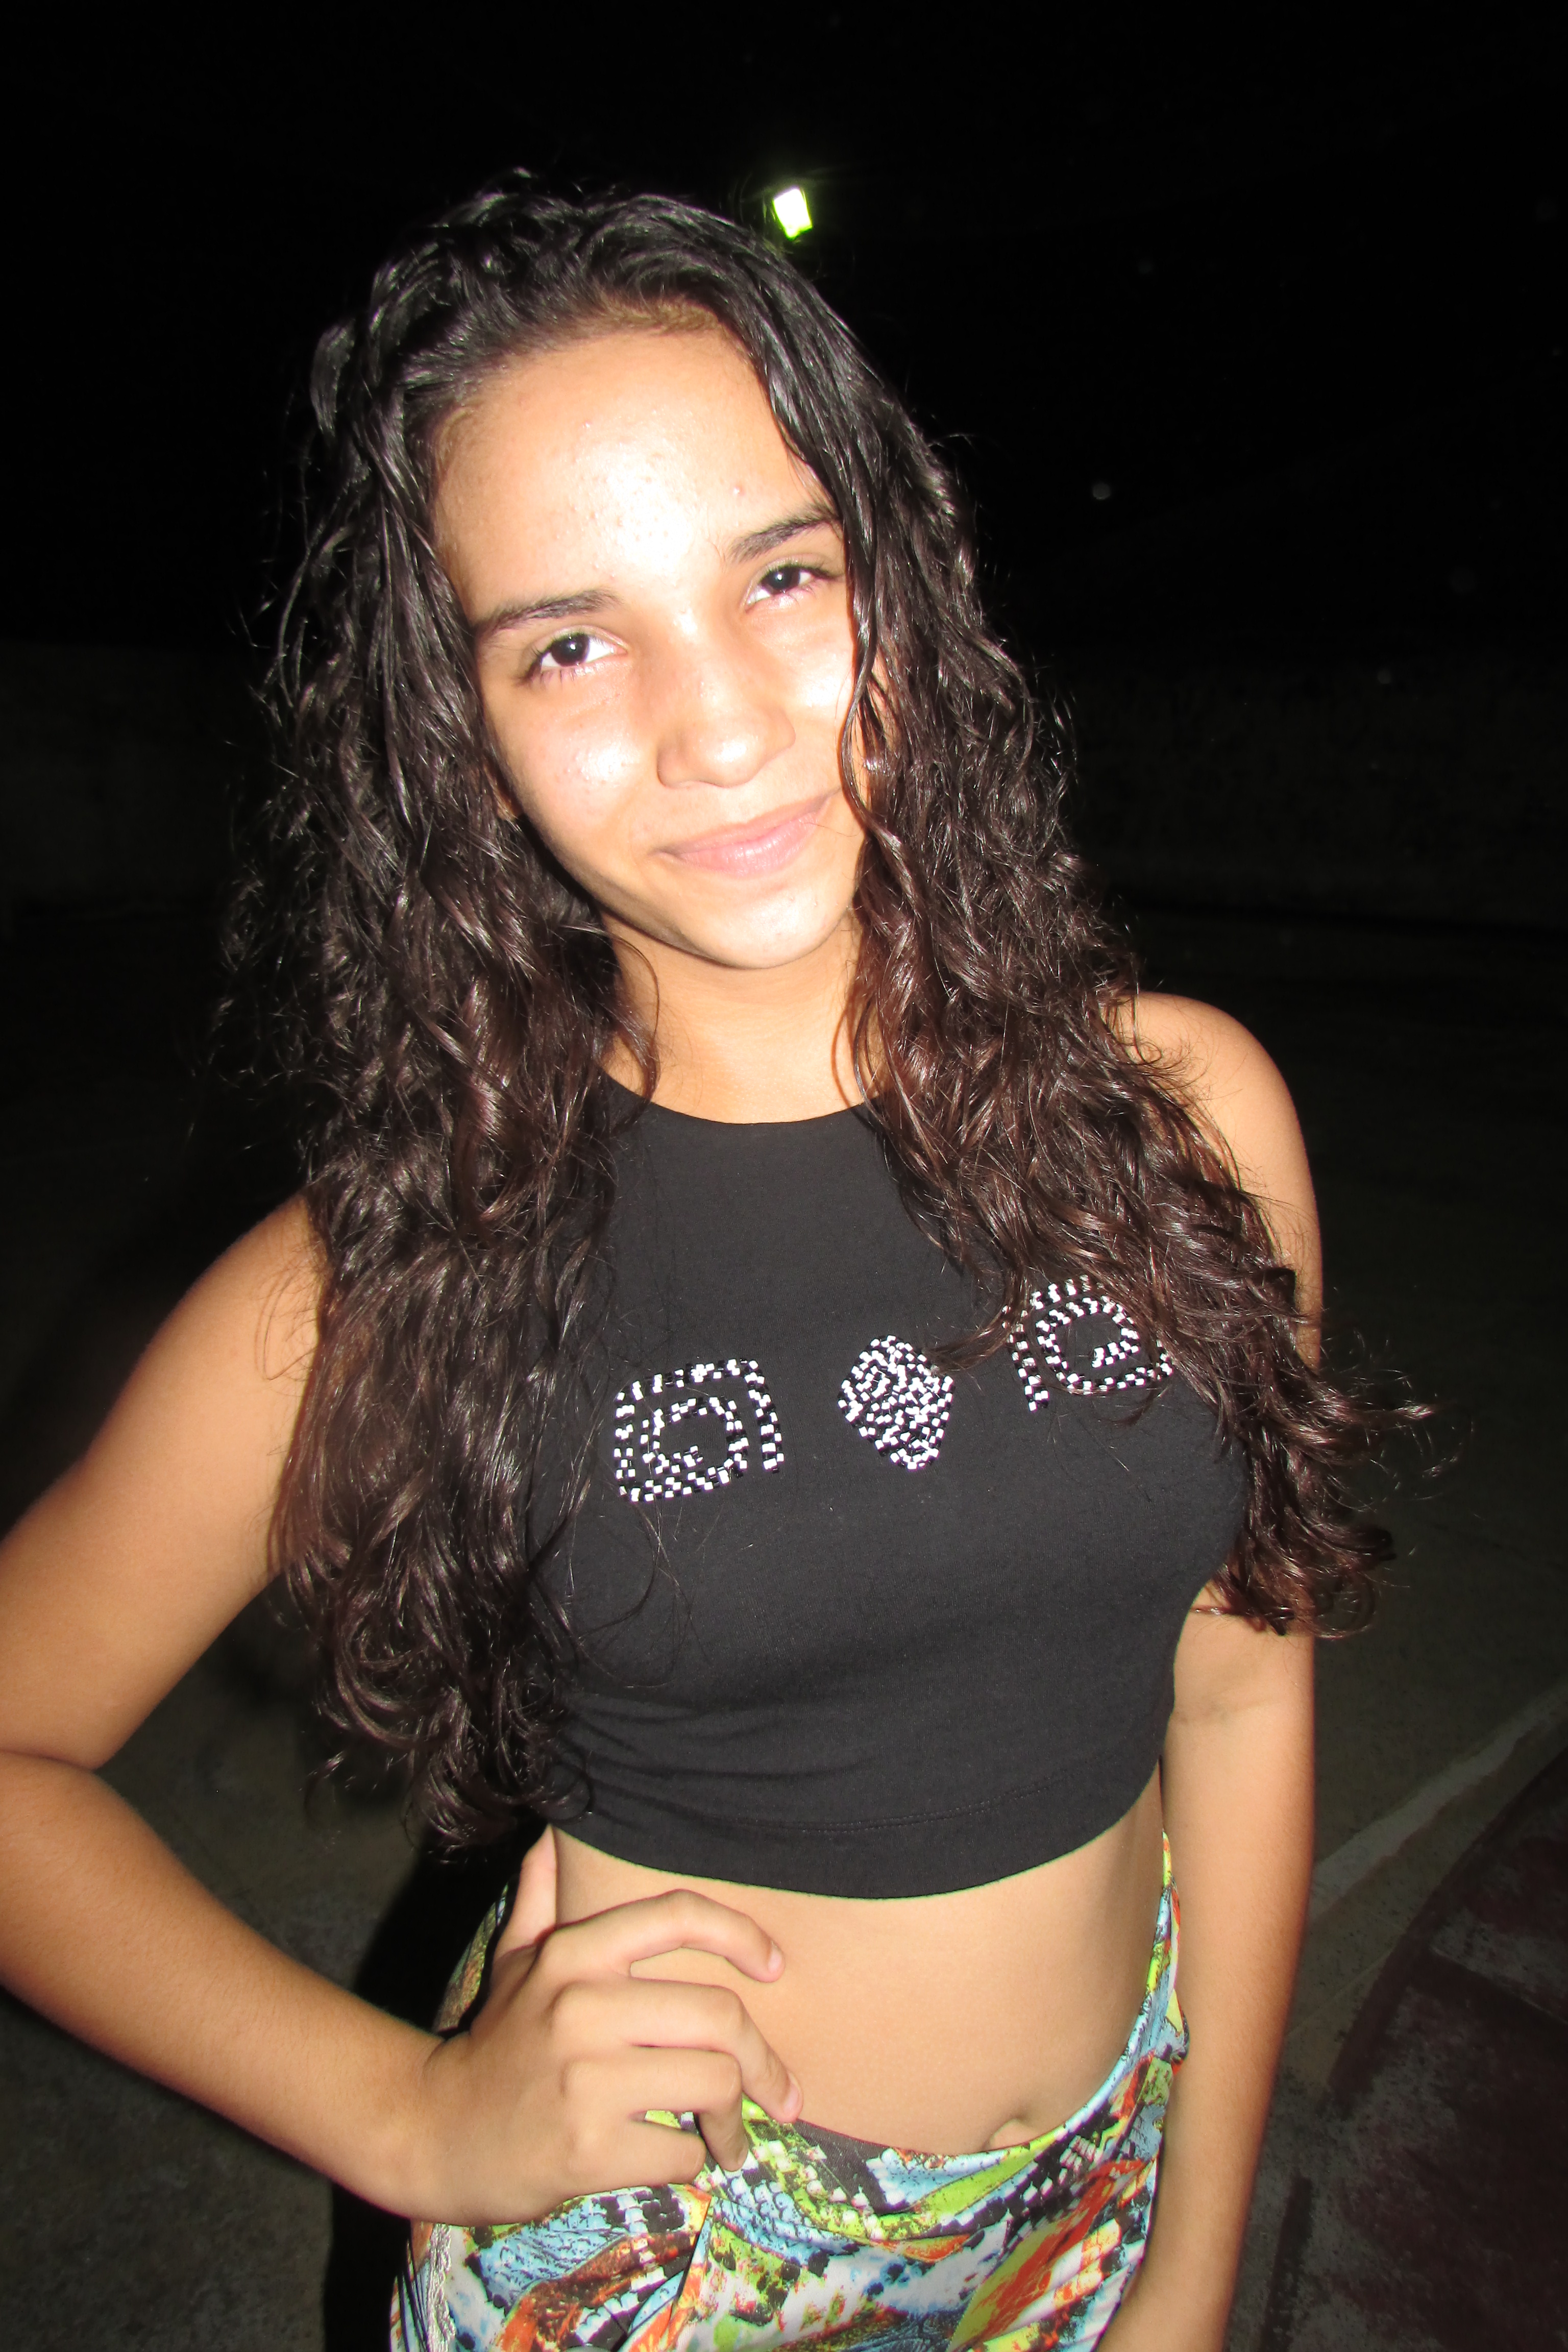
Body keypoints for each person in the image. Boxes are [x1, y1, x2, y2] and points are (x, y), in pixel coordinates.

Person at [0, 180, 1390, 2351]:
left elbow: (1237, 1687)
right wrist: (404, 2115)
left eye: (780, 576)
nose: (719, 725)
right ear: (455, 740)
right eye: (569, 642)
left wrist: (1195, 2251)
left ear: (898, 585)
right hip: (662, 2263)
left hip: (1104, 2189)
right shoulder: (393, 1280)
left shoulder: (1186, 1114)